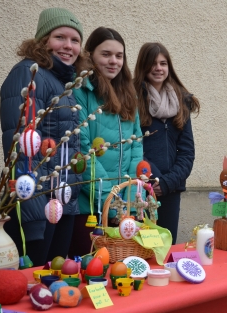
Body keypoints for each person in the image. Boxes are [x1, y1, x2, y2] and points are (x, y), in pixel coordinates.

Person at [0, 8, 88, 266]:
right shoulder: (29, 74)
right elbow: (21, 150)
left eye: (75, 40)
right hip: (39, 208)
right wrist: (34, 216)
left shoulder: (62, 82)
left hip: (60, 205)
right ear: (42, 40)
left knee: (55, 284)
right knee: (32, 283)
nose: (68, 46)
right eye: (60, 37)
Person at [68, 27, 143, 258]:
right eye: (106, 54)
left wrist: (128, 202)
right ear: (90, 55)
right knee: (91, 269)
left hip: (122, 208)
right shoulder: (81, 91)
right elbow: (83, 150)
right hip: (90, 206)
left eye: (119, 56)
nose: (113, 61)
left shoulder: (128, 93)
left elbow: (136, 147)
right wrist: (109, 202)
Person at [133, 43, 200, 244]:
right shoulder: (133, 100)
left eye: (163, 63)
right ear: (142, 66)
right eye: (152, 63)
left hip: (170, 190)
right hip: (140, 189)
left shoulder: (181, 102)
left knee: (164, 247)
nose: (158, 68)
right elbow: (132, 145)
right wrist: (152, 179)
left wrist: (167, 183)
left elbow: (187, 152)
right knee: (142, 247)